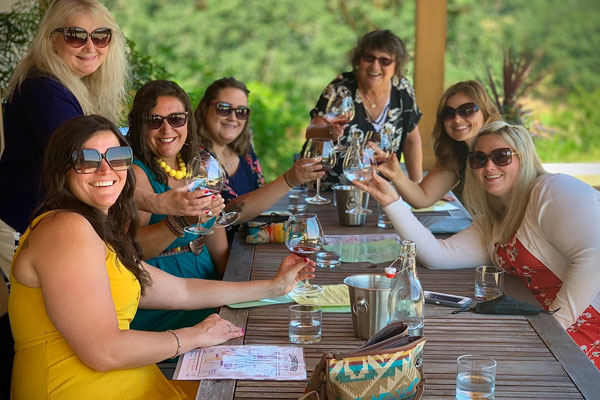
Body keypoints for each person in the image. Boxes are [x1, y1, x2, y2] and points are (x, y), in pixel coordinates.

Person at [8, 115, 314, 398]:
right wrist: (192, 336)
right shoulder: (65, 228)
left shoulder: (93, 229)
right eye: (86, 160)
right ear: (62, 168)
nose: (105, 170)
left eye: (117, 158)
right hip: (76, 388)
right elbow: (103, 351)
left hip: (125, 382)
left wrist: (275, 286)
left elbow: (182, 290)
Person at [354, 121, 600, 369]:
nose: (489, 166)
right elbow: (436, 255)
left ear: (523, 158)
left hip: (585, 325)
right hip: (537, 323)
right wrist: (391, 201)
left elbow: (593, 257)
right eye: (479, 159)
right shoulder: (494, 221)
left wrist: (553, 330)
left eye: (501, 156)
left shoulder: (553, 190)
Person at [0, 0, 129, 279]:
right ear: (52, 40)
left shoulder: (66, 85)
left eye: (101, 36)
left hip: (43, 223)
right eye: (75, 36)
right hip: (26, 224)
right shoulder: (46, 90)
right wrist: (156, 202)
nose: (90, 46)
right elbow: (90, 165)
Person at [127, 80, 229, 332]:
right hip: (164, 298)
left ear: (188, 122)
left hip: (206, 283)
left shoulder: (199, 167)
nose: (166, 129)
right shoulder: (136, 173)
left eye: (176, 119)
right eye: (154, 121)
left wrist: (236, 286)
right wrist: (181, 221)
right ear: (140, 126)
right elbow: (135, 248)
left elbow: (219, 247)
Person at [194, 77, 324, 242]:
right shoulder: (196, 158)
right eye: (224, 108)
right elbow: (223, 216)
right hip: (218, 255)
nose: (233, 117)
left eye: (241, 111)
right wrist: (288, 180)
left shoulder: (245, 152)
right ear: (205, 108)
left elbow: (260, 196)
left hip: (250, 244)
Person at [305, 29, 423, 187]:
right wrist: (328, 132)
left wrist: (418, 186)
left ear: (397, 64)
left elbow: (411, 140)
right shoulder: (340, 88)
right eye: (369, 58)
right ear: (358, 60)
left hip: (381, 190)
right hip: (329, 189)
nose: (375, 66)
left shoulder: (403, 90)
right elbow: (311, 130)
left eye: (385, 60)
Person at [377, 80, 502, 208]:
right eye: (449, 113)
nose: (457, 119)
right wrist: (396, 174)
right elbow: (423, 197)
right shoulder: (457, 153)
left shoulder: (504, 147)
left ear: (485, 112)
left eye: (467, 110)